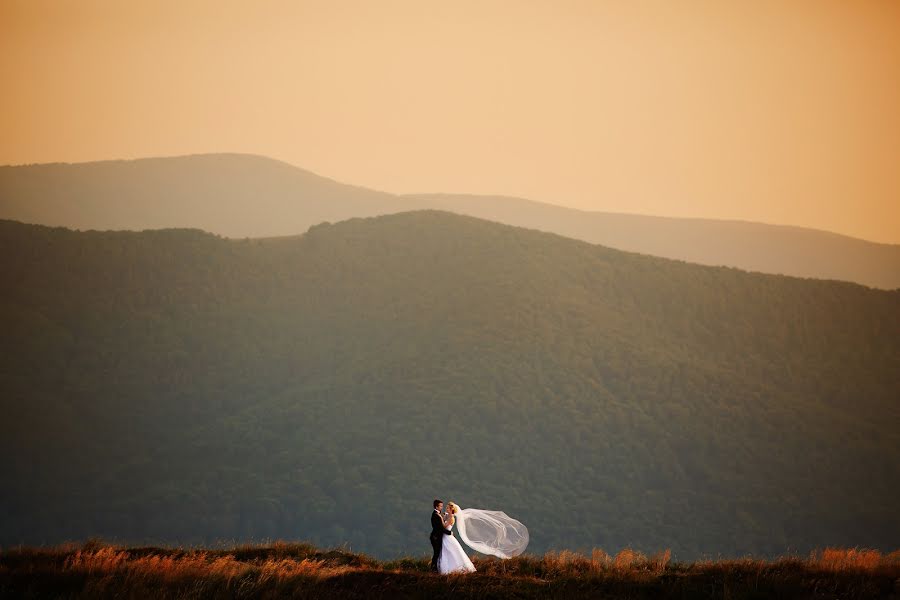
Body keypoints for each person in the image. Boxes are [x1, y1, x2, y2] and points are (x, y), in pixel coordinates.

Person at [438, 502, 476, 574]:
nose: (446, 509)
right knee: (447, 552)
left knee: (450, 552)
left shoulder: (451, 518)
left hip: (447, 537)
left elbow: (444, 527)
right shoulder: (448, 516)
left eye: (448, 508)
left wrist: (441, 519)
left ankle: (451, 569)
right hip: (445, 536)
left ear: (451, 509)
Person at [430, 499, 451, 572]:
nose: (442, 507)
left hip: (437, 536)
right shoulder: (435, 515)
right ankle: (433, 568)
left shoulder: (438, 514)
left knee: (438, 553)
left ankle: (435, 568)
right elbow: (440, 528)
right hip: (435, 537)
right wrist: (449, 533)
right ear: (436, 507)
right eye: (440, 506)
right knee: (436, 553)